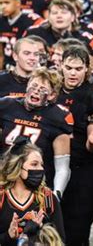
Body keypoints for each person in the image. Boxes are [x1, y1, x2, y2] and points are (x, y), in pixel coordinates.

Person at [56, 45, 93, 246]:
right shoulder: (51, 87)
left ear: (87, 69)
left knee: (78, 225)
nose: (73, 73)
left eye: (78, 68)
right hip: (55, 162)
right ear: (61, 66)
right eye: (69, 67)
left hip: (85, 164)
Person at [0, 67, 73, 198]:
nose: (36, 91)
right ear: (27, 85)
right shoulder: (7, 105)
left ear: (52, 95)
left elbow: (62, 166)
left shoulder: (58, 117)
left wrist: (56, 194)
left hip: (35, 181)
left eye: (43, 89)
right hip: (5, 176)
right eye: (34, 85)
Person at [0, 138, 65, 245]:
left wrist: (38, 233)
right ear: (18, 166)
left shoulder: (48, 198)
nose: (40, 169)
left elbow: (60, 241)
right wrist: (9, 235)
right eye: (34, 164)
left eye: (41, 165)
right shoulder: (2, 196)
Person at [0, 0, 43, 69]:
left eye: (7, 3)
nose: (3, 7)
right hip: (7, 69)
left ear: (18, 3)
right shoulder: (1, 21)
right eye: (0, 3)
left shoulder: (32, 21)